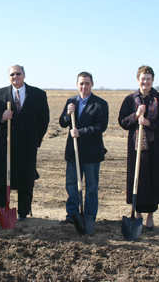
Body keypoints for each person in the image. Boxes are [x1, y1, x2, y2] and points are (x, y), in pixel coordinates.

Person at [0, 65, 50, 221]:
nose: (15, 76)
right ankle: (0, 210)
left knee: (25, 180)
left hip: (27, 146)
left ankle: (23, 212)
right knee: (1, 179)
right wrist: (2, 116)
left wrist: (35, 141)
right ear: (9, 77)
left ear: (24, 75)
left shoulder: (38, 95)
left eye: (18, 73)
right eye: (12, 74)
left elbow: (44, 120)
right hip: (5, 145)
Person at [118, 65, 159, 231]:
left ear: (152, 80)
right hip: (136, 148)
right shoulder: (130, 99)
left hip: (156, 148)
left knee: (153, 180)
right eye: (143, 79)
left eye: (148, 79)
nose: (145, 82)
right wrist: (135, 116)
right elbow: (122, 122)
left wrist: (150, 123)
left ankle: (150, 216)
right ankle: (137, 213)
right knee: (138, 179)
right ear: (138, 80)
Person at [59, 72, 108, 224]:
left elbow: (101, 126)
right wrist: (68, 114)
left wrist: (81, 132)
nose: (84, 86)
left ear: (92, 84)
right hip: (73, 152)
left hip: (91, 152)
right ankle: (72, 215)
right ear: (77, 85)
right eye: (81, 83)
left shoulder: (100, 104)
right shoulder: (71, 101)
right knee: (72, 185)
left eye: (87, 83)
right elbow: (63, 122)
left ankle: (89, 216)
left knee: (91, 186)